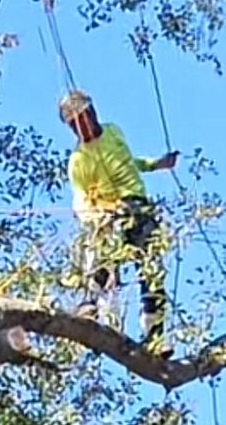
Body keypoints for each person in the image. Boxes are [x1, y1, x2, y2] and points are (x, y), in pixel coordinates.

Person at [59, 88, 178, 348]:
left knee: (151, 269)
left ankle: (155, 335)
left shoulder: (113, 132)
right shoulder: (78, 161)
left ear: (93, 114)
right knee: (101, 255)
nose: (83, 128)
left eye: (84, 119)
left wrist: (156, 164)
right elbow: (80, 201)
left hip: (139, 208)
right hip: (108, 215)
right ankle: (90, 305)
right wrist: (97, 216)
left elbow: (127, 161)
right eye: (75, 125)